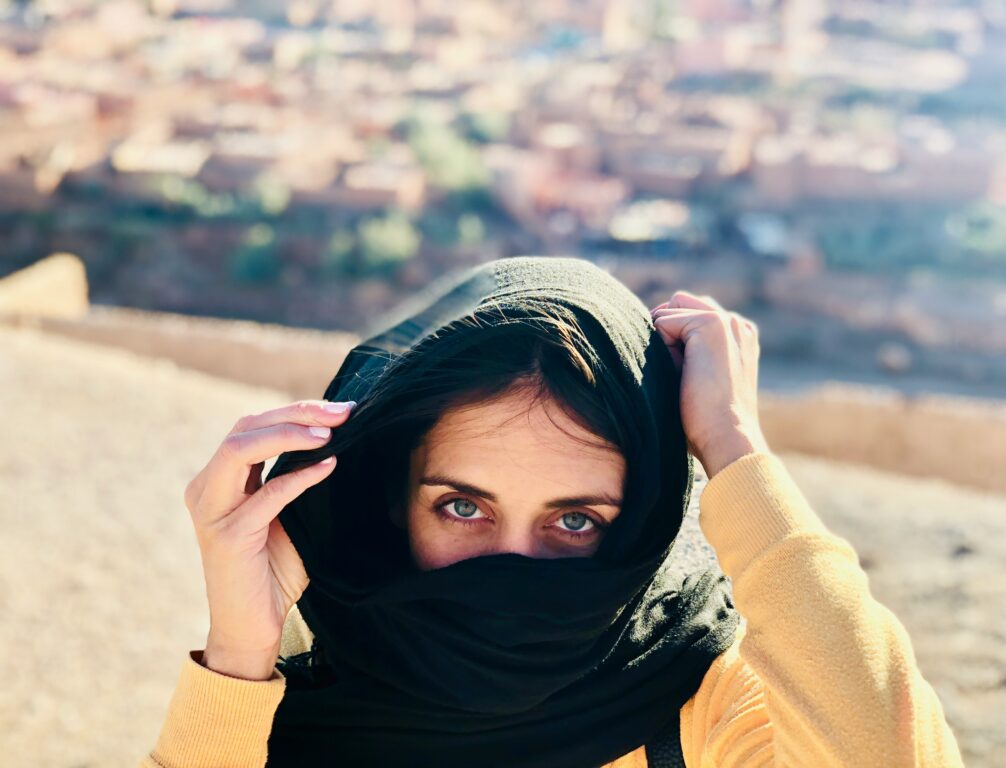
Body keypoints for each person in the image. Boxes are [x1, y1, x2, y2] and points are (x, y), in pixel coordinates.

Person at [142, 256, 964, 767]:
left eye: (576, 521)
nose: (514, 569)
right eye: (462, 506)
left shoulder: (702, 705)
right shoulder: (289, 687)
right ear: (392, 501)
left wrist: (735, 448)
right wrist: (237, 655)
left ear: (640, 518)